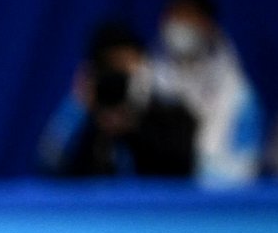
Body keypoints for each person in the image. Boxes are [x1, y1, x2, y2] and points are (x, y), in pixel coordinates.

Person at [39, 21, 196, 178]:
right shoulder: (85, 120)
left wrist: (133, 126)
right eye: (112, 69)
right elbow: (49, 164)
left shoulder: (173, 115)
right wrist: (76, 106)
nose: (119, 78)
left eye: (128, 69)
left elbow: (181, 169)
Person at [150, 0, 264, 185]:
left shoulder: (239, 94)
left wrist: (194, 173)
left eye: (190, 16)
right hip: (156, 203)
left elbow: (246, 167)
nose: (181, 24)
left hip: (214, 206)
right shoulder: (149, 80)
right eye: (176, 16)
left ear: (209, 24)